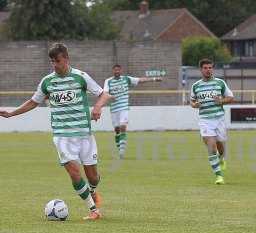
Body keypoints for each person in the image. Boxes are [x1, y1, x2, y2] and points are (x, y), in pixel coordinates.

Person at [0, 43, 113, 220]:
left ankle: (92, 191)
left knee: (93, 177)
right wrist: (12, 113)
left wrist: (97, 107)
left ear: (66, 59)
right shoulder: (47, 82)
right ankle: (93, 210)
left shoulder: (80, 77)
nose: (55, 64)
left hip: (84, 134)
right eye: (52, 61)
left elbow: (104, 94)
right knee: (74, 172)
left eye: (57, 61)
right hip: (62, 136)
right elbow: (33, 102)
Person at [190, 58, 235, 185]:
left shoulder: (220, 83)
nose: (208, 70)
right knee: (211, 146)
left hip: (219, 119)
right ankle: (219, 176)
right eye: (205, 68)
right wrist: (195, 104)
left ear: (212, 69)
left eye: (210, 67)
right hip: (205, 120)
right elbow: (192, 102)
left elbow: (231, 97)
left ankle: (222, 158)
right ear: (201, 69)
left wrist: (220, 101)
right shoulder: (196, 86)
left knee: (220, 145)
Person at [103, 64, 162, 159]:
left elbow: (140, 80)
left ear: (121, 70)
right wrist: (110, 96)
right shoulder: (108, 81)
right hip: (114, 109)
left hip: (124, 107)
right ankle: (120, 148)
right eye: (115, 70)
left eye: (118, 70)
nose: (117, 71)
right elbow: (105, 92)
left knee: (123, 125)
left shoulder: (126, 79)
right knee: (117, 130)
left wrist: (154, 79)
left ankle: (122, 150)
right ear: (112, 71)